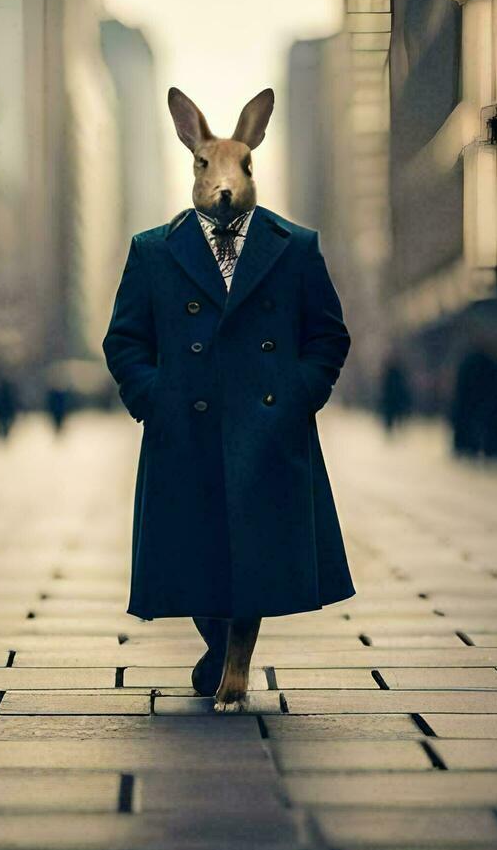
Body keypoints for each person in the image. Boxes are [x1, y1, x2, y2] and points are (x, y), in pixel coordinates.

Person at [104, 85, 353, 706]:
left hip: (264, 429)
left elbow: (327, 334)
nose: (223, 182)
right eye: (209, 165)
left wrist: (297, 395)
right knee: (196, 546)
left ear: (252, 161)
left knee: (255, 547)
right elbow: (125, 340)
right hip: (184, 428)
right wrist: (153, 398)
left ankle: (237, 659)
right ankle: (219, 644)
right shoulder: (153, 251)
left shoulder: (295, 248)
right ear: (192, 160)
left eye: (239, 165)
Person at [451, 347, 497, 461]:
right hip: (486, 401)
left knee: (473, 424)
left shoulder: (468, 363)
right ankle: (490, 450)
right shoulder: (490, 363)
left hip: (473, 401)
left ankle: (471, 448)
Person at [379, 356, 412, 435]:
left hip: (392, 400)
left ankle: (391, 431)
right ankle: (391, 431)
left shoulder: (391, 373)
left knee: (392, 416)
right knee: (392, 416)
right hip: (393, 400)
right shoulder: (395, 373)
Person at [0, 373, 17, 440]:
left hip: (2, 412)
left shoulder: (0, 393)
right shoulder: (9, 394)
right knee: (3, 423)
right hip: (4, 412)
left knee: (2, 423)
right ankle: (3, 434)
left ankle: (2, 434)